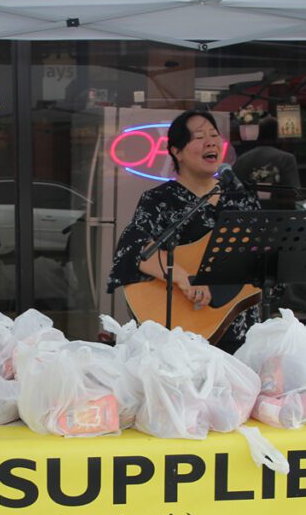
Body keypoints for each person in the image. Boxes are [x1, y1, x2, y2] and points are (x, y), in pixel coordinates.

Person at [107, 109, 262, 352]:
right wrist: (183, 278)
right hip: (184, 335)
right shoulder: (160, 200)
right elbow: (131, 250)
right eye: (199, 137)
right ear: (176, 152)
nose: (211, 141)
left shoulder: (241, 199)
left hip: (240, 329)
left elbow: (263, 258)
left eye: (214, 135)